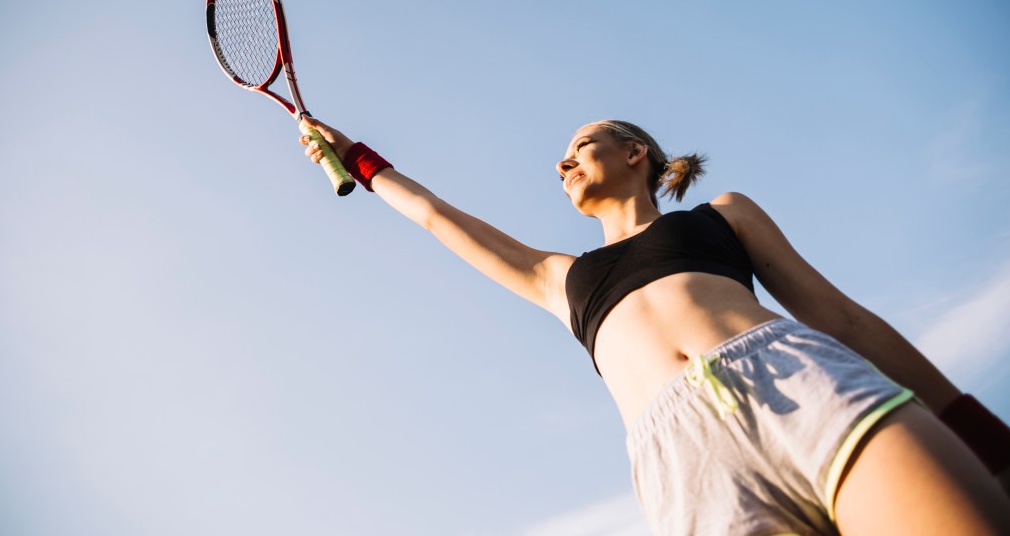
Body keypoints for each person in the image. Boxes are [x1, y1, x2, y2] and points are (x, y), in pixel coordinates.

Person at [300, 117, 1010, 535]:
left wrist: (977, 428)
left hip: (795, 380)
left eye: (581, 144)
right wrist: (357, 155)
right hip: (684, 462)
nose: (563, 160)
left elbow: (841, 317)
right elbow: (433, 215)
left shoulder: (723, 216)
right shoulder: (560, 278)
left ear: (635, 153)